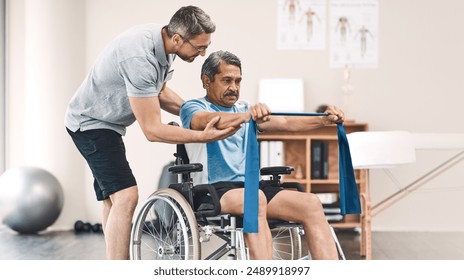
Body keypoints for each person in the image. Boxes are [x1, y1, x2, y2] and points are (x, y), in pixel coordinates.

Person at [65, 6, 237, 260]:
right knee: (126, 196)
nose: (202, 55)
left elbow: (159, 91)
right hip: (91, 123)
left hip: (107, 124)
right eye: (199, 48)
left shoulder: (165, 45)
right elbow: (153, 130)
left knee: (114, 201)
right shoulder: (138, 57)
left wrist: (195, 113)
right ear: (178, 38)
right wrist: (204, 136)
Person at [180, 50, 345, 260]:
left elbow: (285, 122)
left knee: (311, 203)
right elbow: (207, 121)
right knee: (254, 199)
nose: (234, 87)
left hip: (252, 187)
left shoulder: (244, 107)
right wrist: (246, 116)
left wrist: (324, 120)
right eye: (226, 80)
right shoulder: (193, 107)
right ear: (207, 81)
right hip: (214, 190)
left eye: (238, 81)